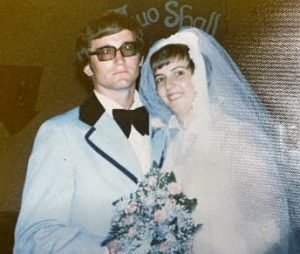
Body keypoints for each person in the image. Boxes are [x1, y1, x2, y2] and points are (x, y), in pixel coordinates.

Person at [14, 12, 166, 254]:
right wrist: (107, 249)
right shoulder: (60, 133)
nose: (119, 59)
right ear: (87, 67)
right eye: (105, 52)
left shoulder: (169, 125)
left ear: (141, 58)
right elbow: (34, 237)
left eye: (128, 48)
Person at [139, 27, 291, 253]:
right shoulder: (169, 141)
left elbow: (270, 226)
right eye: (160, 78)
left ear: (199, 74)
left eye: (179, 73)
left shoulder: (236, 137)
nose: (169, 85)